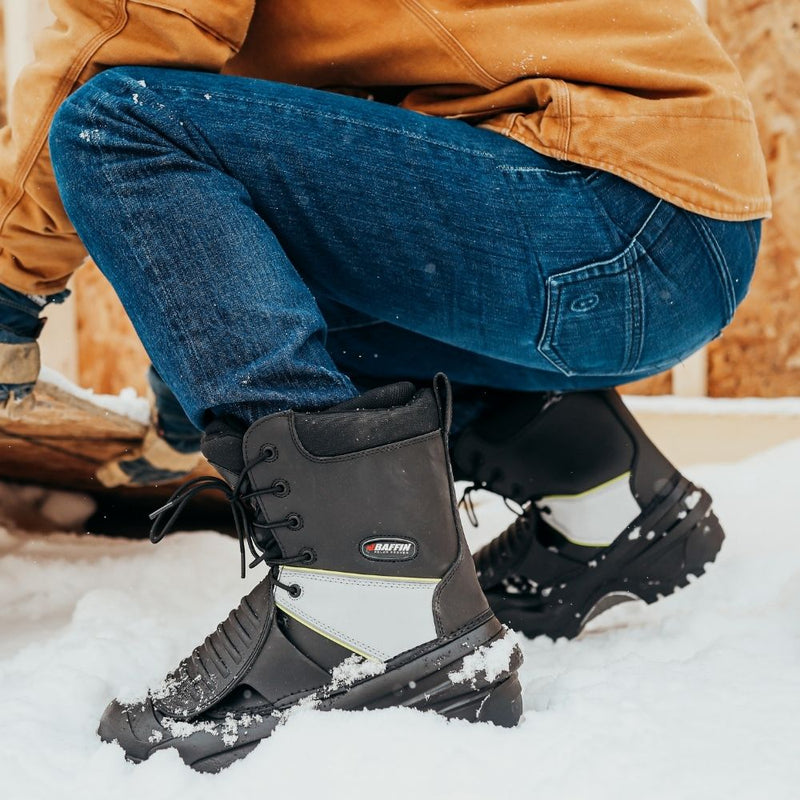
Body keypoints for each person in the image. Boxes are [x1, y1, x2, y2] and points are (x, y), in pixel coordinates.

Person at [0, 0, 768, 771]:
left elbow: (129, 26)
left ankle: (367, 601)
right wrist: (186, 392)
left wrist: (6, 292)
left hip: (594, 203)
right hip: (676, 226)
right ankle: (598, 490)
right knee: (258, 267)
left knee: (115, 124)